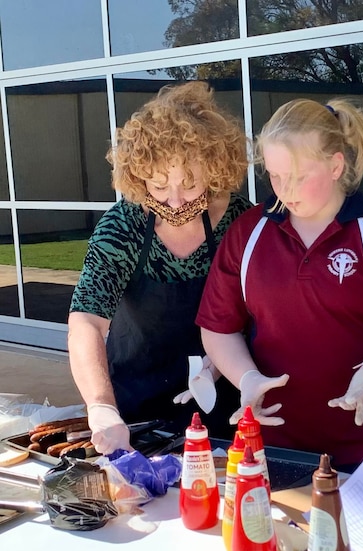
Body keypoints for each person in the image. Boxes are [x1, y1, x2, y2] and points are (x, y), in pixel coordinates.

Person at [197, 98, 363, 472]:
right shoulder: (248, 232)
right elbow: (218, 328)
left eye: (298, 176)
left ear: (335, 166)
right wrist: (245, 378)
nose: (284, 190)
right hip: (271, 445)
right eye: (275, 176)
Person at [68, 81, 252, 454]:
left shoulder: (241, 222)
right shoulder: (124, 225)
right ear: (138, 177)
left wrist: (224, 365)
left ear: (216, 170)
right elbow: (86, 320)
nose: (174, 198)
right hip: (136, 407)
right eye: (158, 184)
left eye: (190, 184)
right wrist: (102, 408)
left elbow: (263, 315)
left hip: (225, 406)